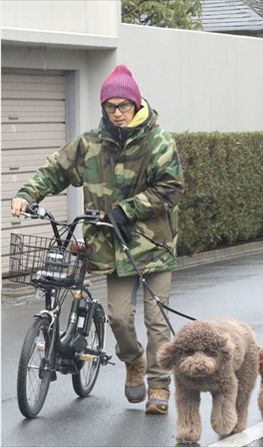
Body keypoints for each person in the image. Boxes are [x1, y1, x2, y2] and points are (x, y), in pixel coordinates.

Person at [11, 64, 184, 415]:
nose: (118, 113)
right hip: (113, 247)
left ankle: (160, 386)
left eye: (124, 106)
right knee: (119, 318)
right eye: (111, 106)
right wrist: (28, 194)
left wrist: (126, 209)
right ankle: (133, 361)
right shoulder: (90, 144)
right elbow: (55, 170)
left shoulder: (159, 142)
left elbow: (170, 188)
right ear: (103, 108)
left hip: (155, 246)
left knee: (156, 318)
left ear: (136, 105)